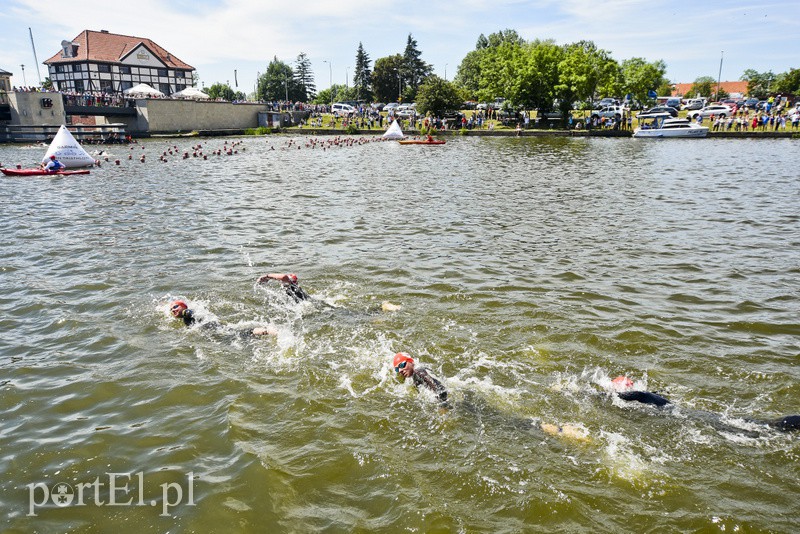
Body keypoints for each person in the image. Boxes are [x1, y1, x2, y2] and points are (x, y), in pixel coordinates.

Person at [610, 375, 800, 432]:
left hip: (686, 415)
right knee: (752, 426)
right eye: (626, 382)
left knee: (751, 428)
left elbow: (625, 397)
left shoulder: (641, 394)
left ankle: (786, 424)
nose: (630, 382)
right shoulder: (641, 395)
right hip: (687, 413)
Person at [169, 300, 276, 336]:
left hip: (218, 330)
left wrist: (186, 312)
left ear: (183, 306)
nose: (173, 310)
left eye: (175, 307)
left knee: (241, 333)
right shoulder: (185, 316)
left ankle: (270, 331)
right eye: (171, 310)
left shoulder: (186, 313)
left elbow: (190, 312)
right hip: (216, 331)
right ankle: (267, 331)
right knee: (242, 334)